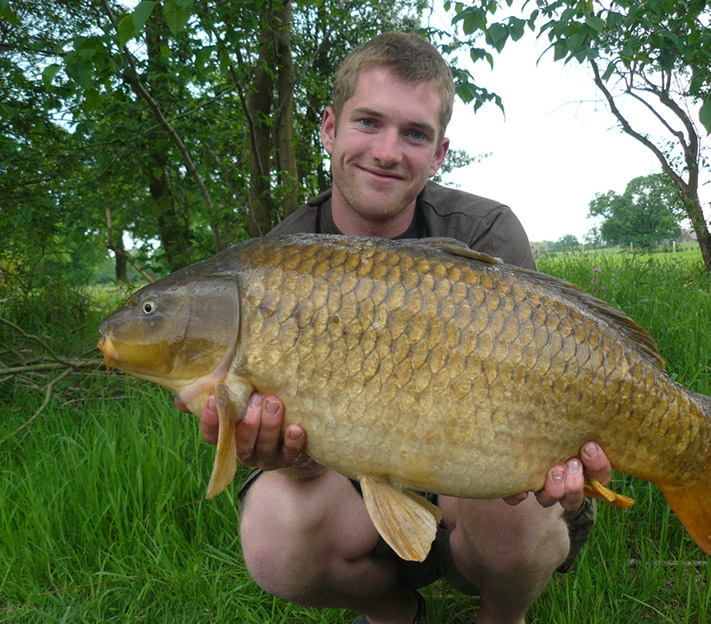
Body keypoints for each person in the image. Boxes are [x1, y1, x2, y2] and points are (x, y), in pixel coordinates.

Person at [180, 31, 612, 624]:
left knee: (519, 507)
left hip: (480, 475)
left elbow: (539, 379)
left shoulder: (485, 233)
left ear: (438, 154)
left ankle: (501, 617)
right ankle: (394, 613)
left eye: (414, 134)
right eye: (368, 123)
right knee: (273, 532)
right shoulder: (274, 266)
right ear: (329, 128)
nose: (387, 151)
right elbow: (293, 443)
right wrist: (292, 455)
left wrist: (562, 451)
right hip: (354, 484)